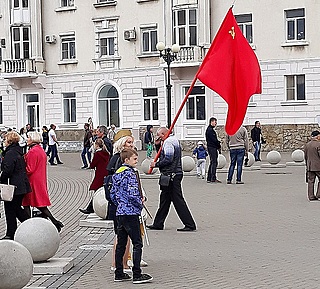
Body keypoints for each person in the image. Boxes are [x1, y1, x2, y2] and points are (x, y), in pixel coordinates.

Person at [110, 148, 153, 284]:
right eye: (134, 159)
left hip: (120, 212)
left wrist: (119, 204)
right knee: (137, 243)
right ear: (126, 160)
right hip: (131, 212)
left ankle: (119, 272)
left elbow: (112, 194)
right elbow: (133, 193)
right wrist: (140, 203)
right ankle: (137, 274)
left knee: (121, 244)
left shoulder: (117, 173)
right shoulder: (130, 174)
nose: (137, 161)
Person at [148, 127, 196, 232]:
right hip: (172, 175)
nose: (158, 136)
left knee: (178, 200)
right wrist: (157, 145)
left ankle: (190, 224)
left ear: (164, 133)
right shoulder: (172, 141)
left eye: (159, 134)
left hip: (171, 175)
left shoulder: (169, 142)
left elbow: (168, 159)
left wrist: (156, 164)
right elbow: (163, 155)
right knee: (164, 200)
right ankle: (158, 223)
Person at [22, 131, 64, 232]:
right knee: (40, 204)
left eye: (28, 138)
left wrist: (21, 169)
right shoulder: (40, 150)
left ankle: (29, 225)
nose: (27, 139)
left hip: (32, 181)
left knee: (27, 203)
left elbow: (29, 169)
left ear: (32, 139)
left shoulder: (32, 151)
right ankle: (55, 222)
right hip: (40, 179)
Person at [0, 131, 31, 239]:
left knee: (10, 210)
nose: (3, 141)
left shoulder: (10, 153)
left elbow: (7, 170)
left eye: (4, 139)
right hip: (20, 185)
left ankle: (11, 233)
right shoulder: (18, 151)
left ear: (9, 141)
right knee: (17, 209)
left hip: (13, 186)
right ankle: (31, 226)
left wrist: (1, 178)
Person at [304, 130, 320, 201]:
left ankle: (311, 196)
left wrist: (307, 164)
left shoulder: (307, 144)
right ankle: (319, 194)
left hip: (310, 166)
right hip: (318, 166)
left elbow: (305, 156)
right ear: (317, 136)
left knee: (311, 181)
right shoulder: (318, 144)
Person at [205, 117, 221, 183]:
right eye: (215, 122)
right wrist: (218, 144)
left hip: (211, 147)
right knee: (214, 162)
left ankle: (209, 177)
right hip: (212, 147)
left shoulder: (210, 130)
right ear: (211, 122)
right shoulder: (210, 130)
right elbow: (214, 140)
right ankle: (213, 177)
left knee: (212, 162)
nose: (216, 123)